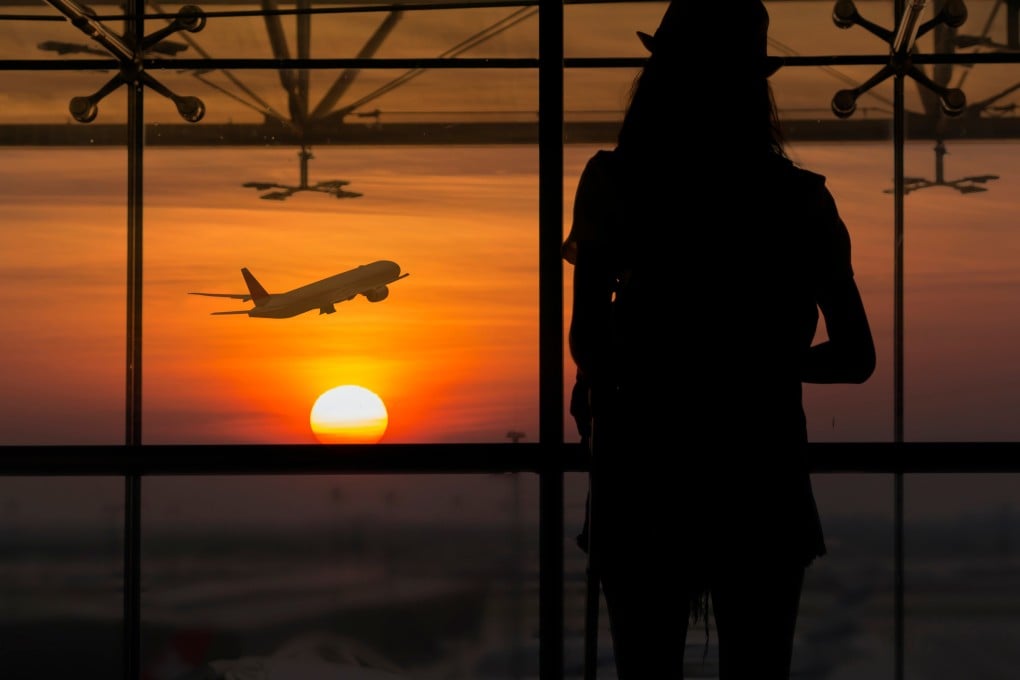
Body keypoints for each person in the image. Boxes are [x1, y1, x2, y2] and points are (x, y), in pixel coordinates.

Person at [563, 2, 877, 678]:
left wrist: (626, 375)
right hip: (759, 473)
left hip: (644, 470)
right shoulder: (801, 201)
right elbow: (855, 358)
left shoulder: (615, 184)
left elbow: (588, 337)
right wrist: (759, 367)